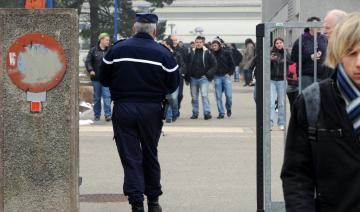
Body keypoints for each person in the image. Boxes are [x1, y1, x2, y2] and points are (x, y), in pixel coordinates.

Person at [99, 13, 179, 212]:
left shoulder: (117, 49)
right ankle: (153, 201)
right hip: (151, 109)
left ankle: (136, 202)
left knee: (130, 155)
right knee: (150, 153)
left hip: (124, 107)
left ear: (134, 29)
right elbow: (173, 84)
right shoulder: (163, 53)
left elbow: (103, 78)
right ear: (155, 31)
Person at [281, 12, 360, 212]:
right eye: (351, 52)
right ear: (338, 52)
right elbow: (297, 174)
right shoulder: (312, 102)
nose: (359, 62)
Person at [291, 16, 327, 90]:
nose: (318, 26)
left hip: (322, 76)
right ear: (309, 27)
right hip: (306, 76)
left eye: (319, 24)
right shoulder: (301, 40)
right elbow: (294, 58)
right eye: (315, 24)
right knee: (307, 100)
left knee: (322, 100)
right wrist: (310, 56)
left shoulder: (324, 39)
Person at [186, 35, 217, 120]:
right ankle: (195, 113)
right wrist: (187, 77)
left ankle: (207, 113)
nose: (198, 44)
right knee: (194, 97)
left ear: (203, 43)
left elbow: (214, 65)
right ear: (195, 43)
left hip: (204, 78)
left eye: (200, 42)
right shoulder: (191, 52)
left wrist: (207, 74)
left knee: (204, 95)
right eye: (197, 42)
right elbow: (187, 64)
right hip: (193, 78)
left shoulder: (208, 52)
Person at [85, 32, 112, 121]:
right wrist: (91, 70)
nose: (108, 41)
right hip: (96, 78)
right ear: (101, 40)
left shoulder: (110, 50)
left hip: (107, 78)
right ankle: (97, 114)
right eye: (106, 40)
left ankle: (108, 114)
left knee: (107, 96)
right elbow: (88, 61)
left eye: (108, 40)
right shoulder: (93, 50)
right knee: (97, 97)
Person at [163, 37, 186, 123]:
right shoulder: (161, 54)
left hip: (175, 79)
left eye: (164, 44)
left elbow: (183, 66)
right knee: (168, 98)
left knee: (174, 98)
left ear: (169, 45)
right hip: (165, 80)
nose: (162, 46)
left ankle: (175, 112)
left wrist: (176, 73)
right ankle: (169, 116)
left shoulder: (177, 54)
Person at [270, 37, 291, 130]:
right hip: (271, 80)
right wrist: (270, 59)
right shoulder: (271, 53)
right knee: (271, 102)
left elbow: (291, 65)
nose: (279, 44)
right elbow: (265, 65)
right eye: (277, 43)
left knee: (281, 103)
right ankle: (269, 123)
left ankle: (281, 122)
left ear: (283, 43)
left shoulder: (286, 53)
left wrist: (291, 77)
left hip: (282, 80)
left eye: (280, 42)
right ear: (274, 44)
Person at [211, 38, 235, 119]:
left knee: (229, 96)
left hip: (226, 76)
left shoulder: (226, 53)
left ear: (219, 45)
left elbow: (232, 64)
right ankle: (221, 113)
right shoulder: (211, 54)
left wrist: (230, 73)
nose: (214, 47)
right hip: (216, 77)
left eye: (215, 45)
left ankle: (228, 108)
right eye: (213, 46)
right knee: (218, 96)